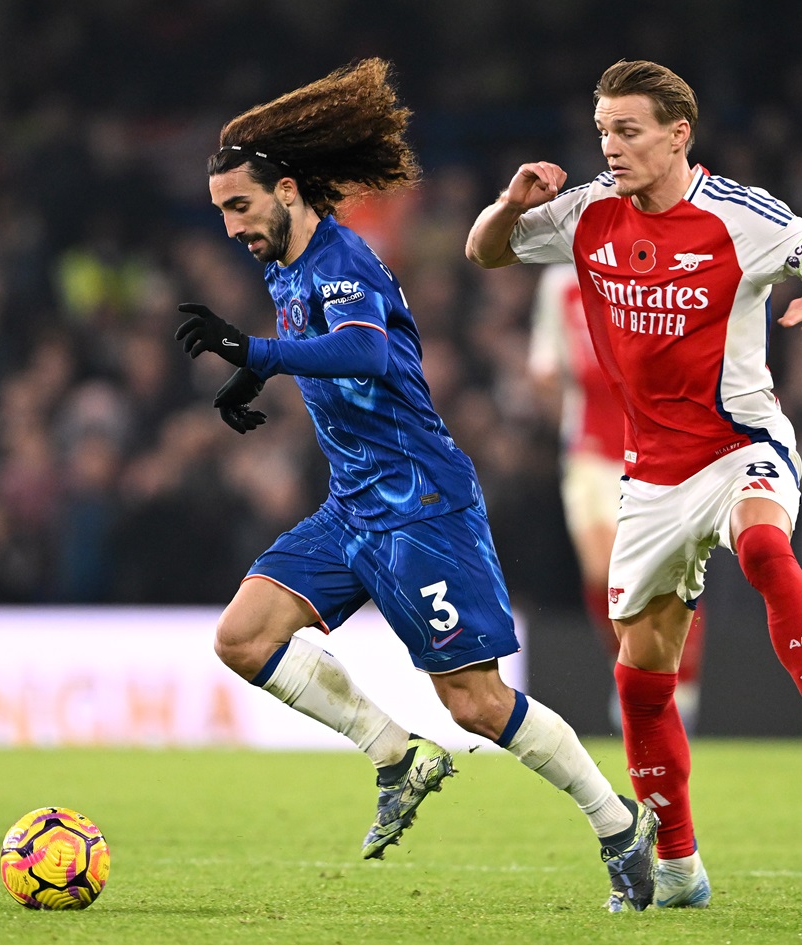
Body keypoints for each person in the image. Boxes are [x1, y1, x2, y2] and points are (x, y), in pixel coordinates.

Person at [172, 58, 658, 912]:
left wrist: (254, 353)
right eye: (219, 213)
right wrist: (257, 377)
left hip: (422, 505)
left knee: (475, 702)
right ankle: (397, 753)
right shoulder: (286, 264)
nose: (229, 227)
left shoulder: (339, 257)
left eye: (239, 206)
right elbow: (349, 360)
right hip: (355, 503)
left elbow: (361, 346)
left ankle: (618, 823)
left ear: (286, 190)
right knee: (244, 636)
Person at [467, 59, 802, 909]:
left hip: (740, 443)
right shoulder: (588, 214)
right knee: (639, 677)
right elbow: (485, 254)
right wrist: (512, 202)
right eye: (603, 133)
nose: (610, 148)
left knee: (766, 543)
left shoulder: (741, 215)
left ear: (677, 134)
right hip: (650, 475)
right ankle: (681, 865)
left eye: (627, 131)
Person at [527, 263, 707, 732]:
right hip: (589, 450)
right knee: (602, 571)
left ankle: (680, 681)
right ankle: (627, 666)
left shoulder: (653, 269)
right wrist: (546, 376)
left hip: (653, 446)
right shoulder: (560, 282)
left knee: (666, 570)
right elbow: (545, 359)